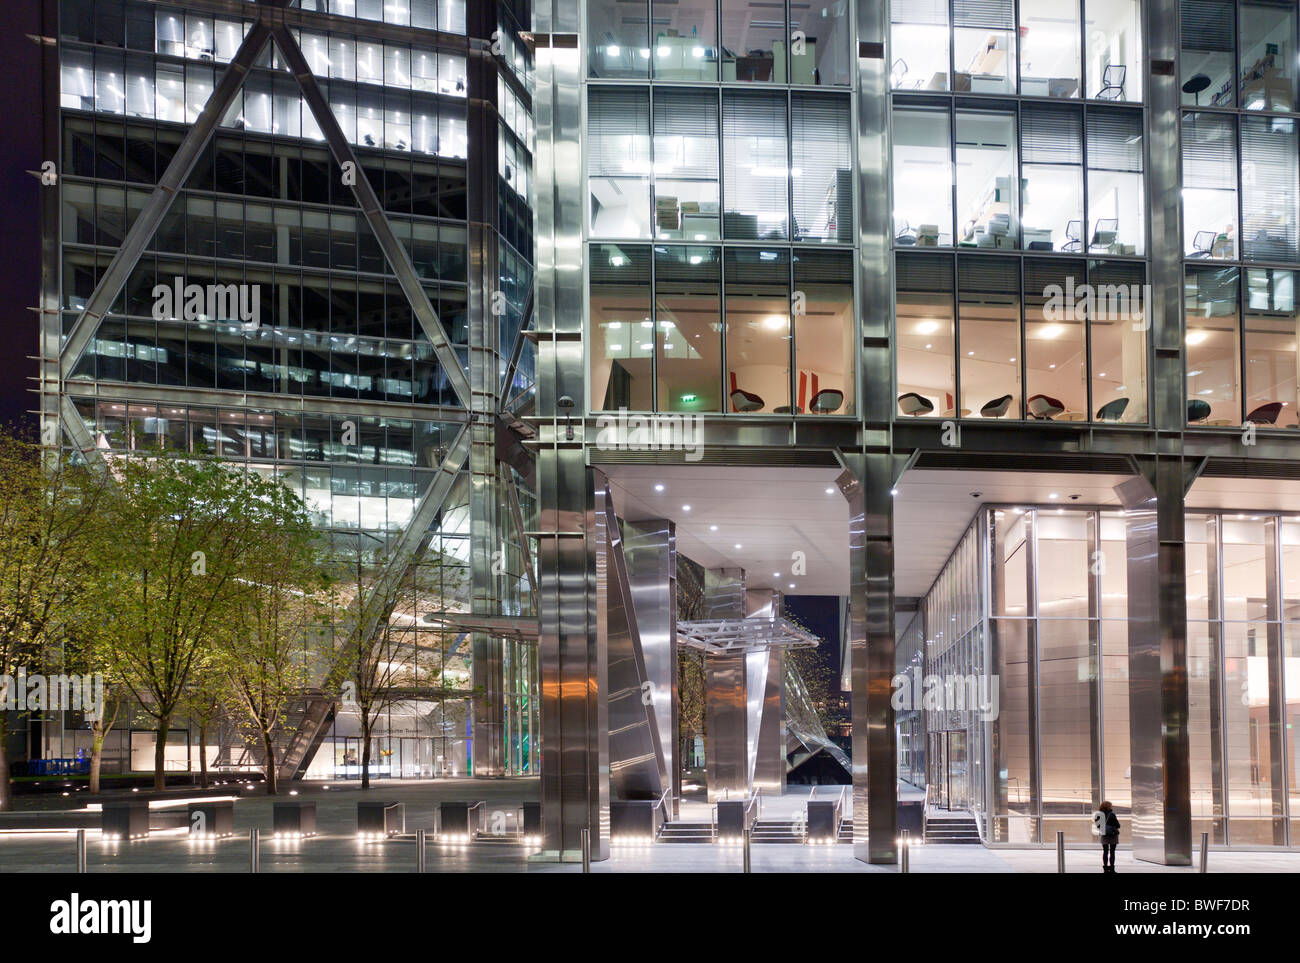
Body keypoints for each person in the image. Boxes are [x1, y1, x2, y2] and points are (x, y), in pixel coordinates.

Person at [1098, 800, 1120, 872]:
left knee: (1105, 851)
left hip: (1104, 835)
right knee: (1112, 852)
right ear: (1109, 806)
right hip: (1113, 835)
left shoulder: (1099, 815)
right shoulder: (1112, 814)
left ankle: (1105, 869)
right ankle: (1112, 869)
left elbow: (1099, 826)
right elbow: (1118, 825)